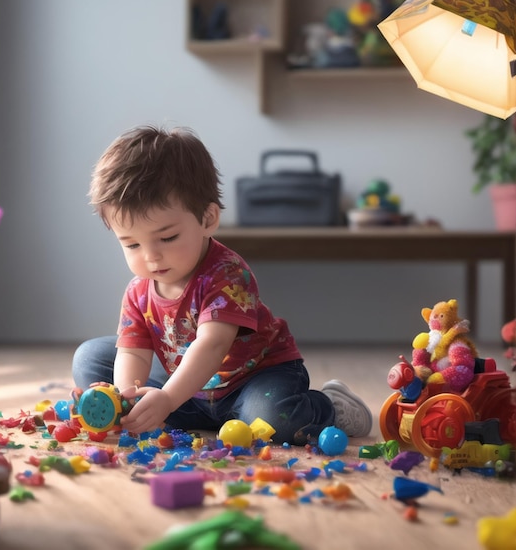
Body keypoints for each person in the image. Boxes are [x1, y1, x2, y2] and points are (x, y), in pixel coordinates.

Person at [72, 124, 372, 445]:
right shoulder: (139, 290)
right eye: (131, 244)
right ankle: (170, 408)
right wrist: (127, 399)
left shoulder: (226, 274)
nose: (150, 257)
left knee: (274, 421)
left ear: (207, 218)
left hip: (251, 380)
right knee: (91, 358)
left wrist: (167, 399)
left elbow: (212, 346)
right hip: (187, 387)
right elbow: (134, 350)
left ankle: (327, 406)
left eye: (168, 237)